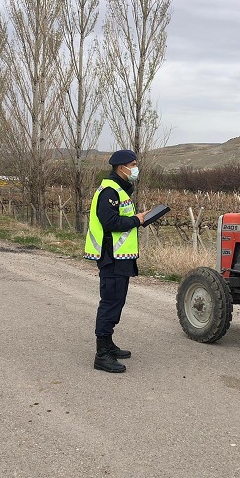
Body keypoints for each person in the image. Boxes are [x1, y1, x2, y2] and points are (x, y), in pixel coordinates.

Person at [85, 149, 148, 373]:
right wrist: (136, 220)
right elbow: (110, 222)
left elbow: (121, 220)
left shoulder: (120, 190)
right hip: (111, 257)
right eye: (133, 165)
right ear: (121, 167)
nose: (135, 168)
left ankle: (108, 344)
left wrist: (139, 219)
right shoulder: (109, 191)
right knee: (110, 302)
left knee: (117, 300)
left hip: (121, 257)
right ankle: (101, 355)